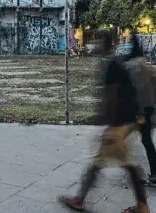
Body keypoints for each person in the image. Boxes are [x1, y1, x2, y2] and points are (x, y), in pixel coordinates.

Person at [59, 30, 150, 213]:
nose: (96, 45)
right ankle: (80, 198)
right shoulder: (115, 62)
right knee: (105, 161)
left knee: (123, 163)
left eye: (98, 41)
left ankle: (142, 205)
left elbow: (113, 95)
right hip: (127, 118)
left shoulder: (111, 64)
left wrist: (109, 122)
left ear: (104, 43)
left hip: (119, 121)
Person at [122, 33, 156, 188]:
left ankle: (136, 173)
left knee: (123, 138)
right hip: (148, 106)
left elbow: (137, 89)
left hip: (139, 109)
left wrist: (139, 112)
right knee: (146, 140)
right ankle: (154, 175)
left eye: (126, 41)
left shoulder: (134, 65)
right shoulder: (143, 62)